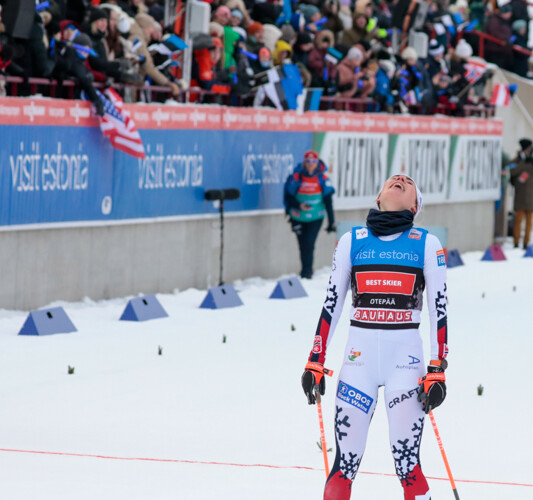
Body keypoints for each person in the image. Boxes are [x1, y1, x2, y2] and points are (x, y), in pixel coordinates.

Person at [301, 174, 448, 499]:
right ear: (378, 197)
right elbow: (331, 304)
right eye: (392, 179)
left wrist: (438, 369)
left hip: (406, 367)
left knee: (408, 467)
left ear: (414, 205)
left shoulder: (426, 243)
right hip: (358, 364)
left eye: (408, 182)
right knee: (343, 468)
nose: (399, 179)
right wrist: (315, 360)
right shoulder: (352, 241)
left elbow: (439, 309)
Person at [284, 151, 336, 279]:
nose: (310, 164)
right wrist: (298, 205)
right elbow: (288, 197)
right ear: (304, 162)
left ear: (317, 163)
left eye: (313, 161)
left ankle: (308, 271)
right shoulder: (296, 178)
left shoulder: (322, 179)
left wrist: (331, 221)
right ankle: (304, 270)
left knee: (309, 243)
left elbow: (328, 201)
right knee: (302, 244)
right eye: (308, 161)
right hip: (298, 216)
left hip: (315, 217)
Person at [510, 138, 533, 249]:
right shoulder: (517, 160)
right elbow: (511, 170)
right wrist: (524, 164)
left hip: (530, 195)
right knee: (518, 220)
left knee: (529, 222)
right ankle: (516, 241)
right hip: (520, 194)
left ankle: (526, 242)